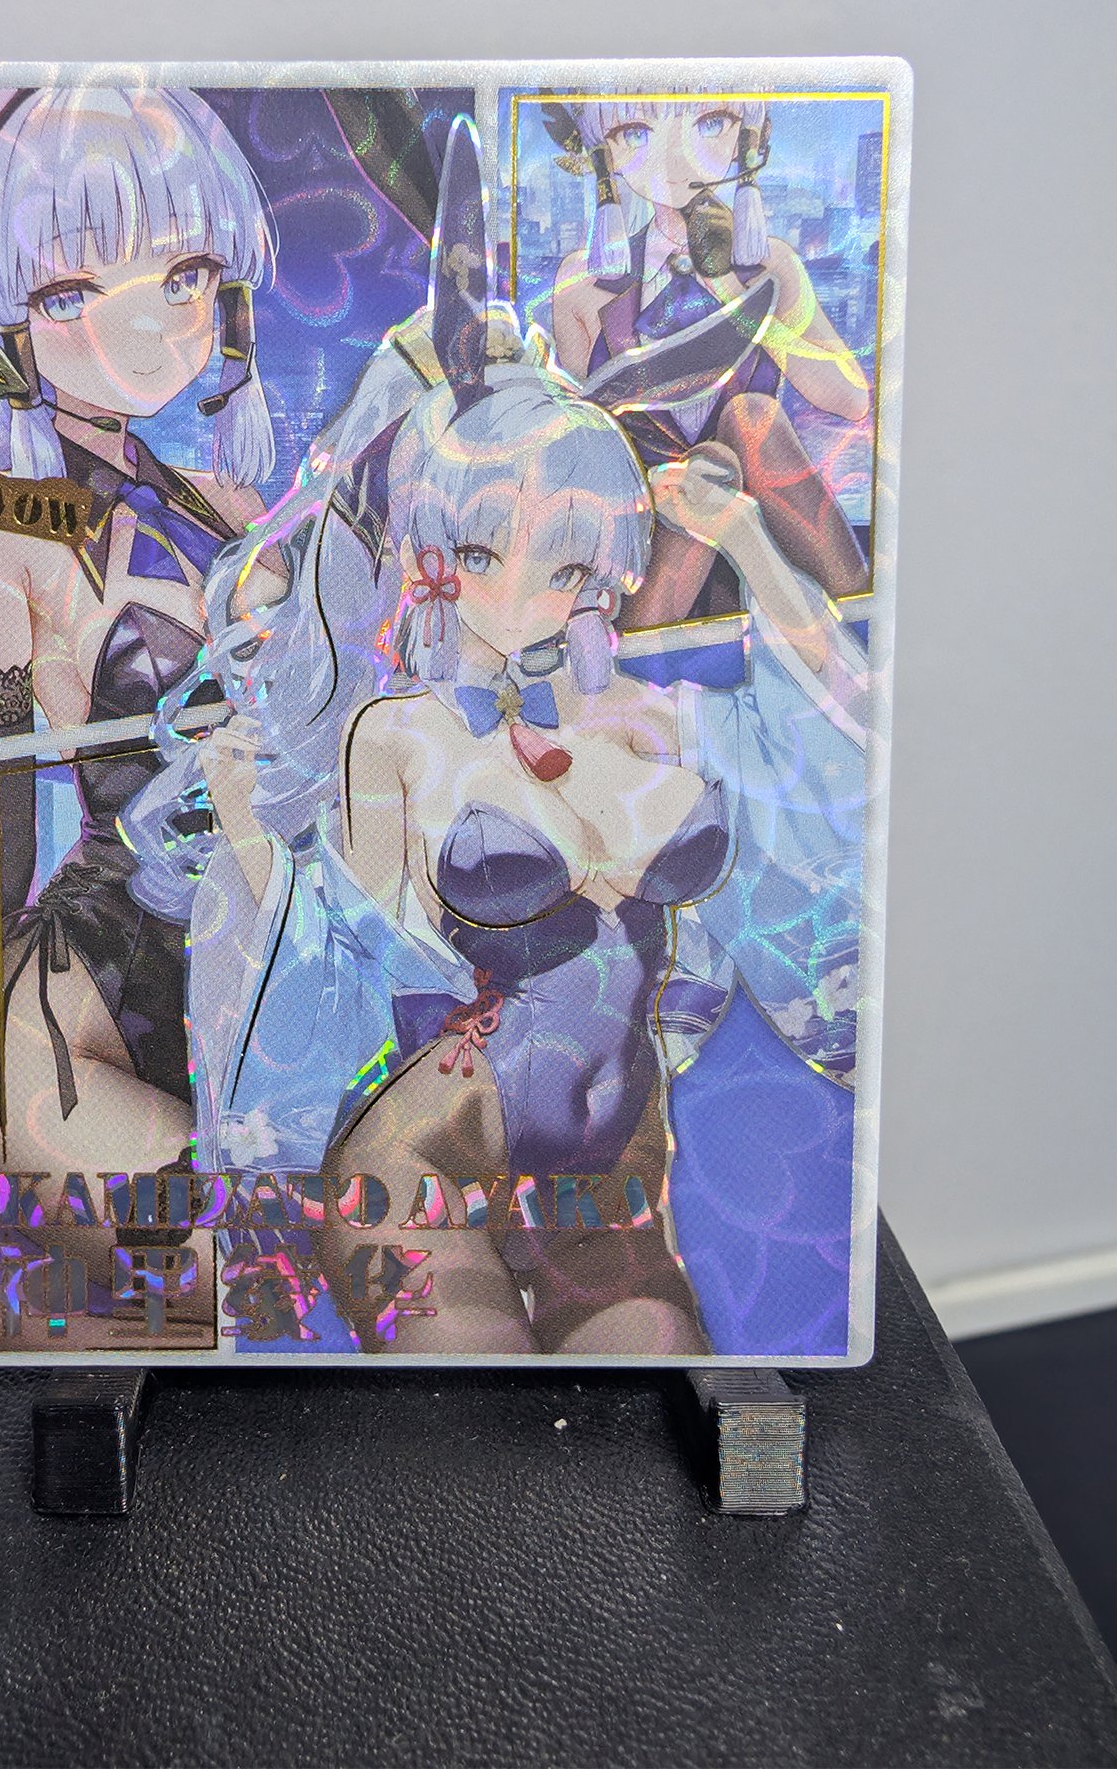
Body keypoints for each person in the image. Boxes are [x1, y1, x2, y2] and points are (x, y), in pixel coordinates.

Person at [123, 119, 867, 1356]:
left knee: (644, 1416)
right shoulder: (401, 736)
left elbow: (833, 719)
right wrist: (252, 828)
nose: (520, 585)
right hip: (420, 1166)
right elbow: (350, 948)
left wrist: (741, 538)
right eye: (477, 547)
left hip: (607, 1176)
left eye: (566, 554)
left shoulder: (643, 714)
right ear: (431, 553)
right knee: (463, 1418)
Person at [0, 84, 280, 1192]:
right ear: (9, 318)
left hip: (281, 930)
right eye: (71, 291)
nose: (143, 328)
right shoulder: (5, 528)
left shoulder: (231, 504)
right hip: (111, 956)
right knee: (187, 1244)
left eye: (182, 276)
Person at [547, 97, 870, 629]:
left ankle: (860, 625)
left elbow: (850, 399)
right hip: (653, 550)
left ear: (747, 136)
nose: (675, 158)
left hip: (771, 538)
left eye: (710, 123)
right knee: (703, 469)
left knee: (749, 420)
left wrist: (740, 291)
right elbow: (588, 447)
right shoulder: (583, 283)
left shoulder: (770, 264)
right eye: (637, 132)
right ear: (604, 151)